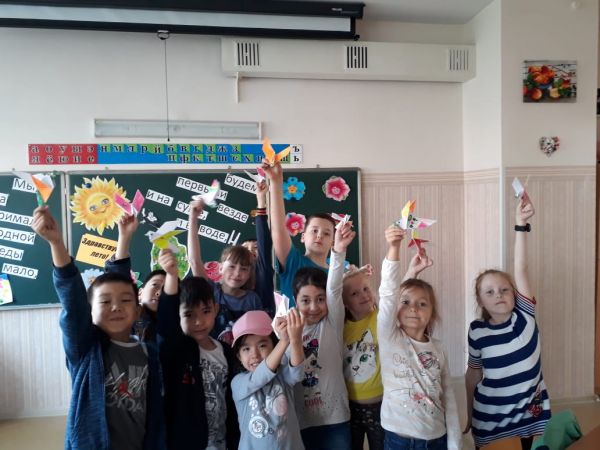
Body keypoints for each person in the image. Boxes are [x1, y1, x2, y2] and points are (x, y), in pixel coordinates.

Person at [31, 205, 165, 450]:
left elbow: (154, 410)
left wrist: (124, 238)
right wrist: (57, 243)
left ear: (137, 310)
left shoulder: (149, 352)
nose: (116, 307)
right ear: (89, 312)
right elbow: (73, 301)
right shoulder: (85, 349)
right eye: (104, 302)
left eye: (126, 301)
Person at [465, 194, 550, 450]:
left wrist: (520, 224)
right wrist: (469, 413)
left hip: (529, 416)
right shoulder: (477, 331)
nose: (498, 295)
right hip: (490, 419)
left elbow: (520, 267)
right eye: (489, 292)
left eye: (504, 290)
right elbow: (473, 374)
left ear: (515, 294)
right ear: (480, 300)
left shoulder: (525, 315)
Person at [378, 225, 460, 450]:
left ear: (432, 313)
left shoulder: (439, 348)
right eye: (406, 303)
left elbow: (449, 398)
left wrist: (455, 443)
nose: (413, 308)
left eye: (422, 304)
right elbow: (389, 294)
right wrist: (394, 247)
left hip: (436, 439)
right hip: (398, 441)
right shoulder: (389, 338)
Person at [342, 252, 432, 450]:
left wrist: (412, 271)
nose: (364, 295)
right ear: (345, 302)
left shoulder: (381, 317)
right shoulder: (341, 328)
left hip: (381, 403)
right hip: (351, 405)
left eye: (366, 288)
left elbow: (396, 296)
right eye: (355, 293)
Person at [156, 249, 239, 450]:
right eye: (189, 315)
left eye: (205, 311)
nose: (199, 321)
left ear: (215, 310)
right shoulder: (177, 349)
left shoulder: (226, 351)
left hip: (222, 443)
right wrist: (171, 275)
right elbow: (166, 321)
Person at [291, 220, 355, 449]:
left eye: (320, 300)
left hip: (336, 421)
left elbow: (334, 288)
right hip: (301, 423)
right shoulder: (288, 330)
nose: (314, 307)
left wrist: (338, 250)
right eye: (305, 301)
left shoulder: (332, 323)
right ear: (295, 302)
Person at [187, 198, 265, 345]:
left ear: (249, 273)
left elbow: (258, 335)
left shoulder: (252, 299)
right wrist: (193, 218)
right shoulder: (211, 291)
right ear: (221, 268)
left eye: (244, 269)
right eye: (232, 266)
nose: (237, 273)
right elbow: (194, 261)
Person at [231, 309, 305, 449]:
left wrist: (295, 340)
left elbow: (297, 373)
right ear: (239, 356)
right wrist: (284, 341)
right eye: (246, 349)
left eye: (262, 345)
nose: (255, 355)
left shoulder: (282, 374)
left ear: (274, 347)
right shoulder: (238, 382)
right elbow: (259, 377)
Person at [263, 160, 336, 301]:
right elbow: (278, 229)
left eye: (326, 233)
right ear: (303, 237)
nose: (319, 236)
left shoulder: (337, 272)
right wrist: (276, 182)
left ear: (333, 242)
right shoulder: (293, 261)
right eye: (314, 231)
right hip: (291, 317)